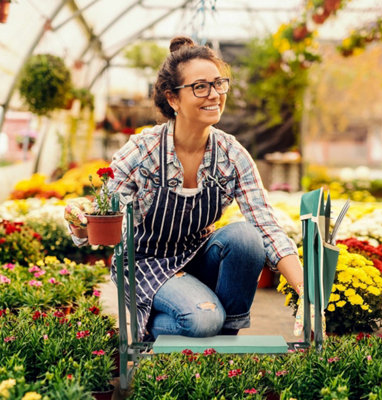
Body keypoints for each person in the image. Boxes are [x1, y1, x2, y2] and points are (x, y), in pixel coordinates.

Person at [65, 36, 304, 342]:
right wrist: (82, 223)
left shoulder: (232, 154)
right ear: (173, 99)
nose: (214, 94)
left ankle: (223, 338)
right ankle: (160, 326)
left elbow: (265, 224)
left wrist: (304, 290)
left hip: (195, 257)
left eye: (219, 83)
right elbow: (107, 215)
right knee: (204, 320)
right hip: (146, 262)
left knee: (247, 238)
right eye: (200, 87)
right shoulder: (143, 151)